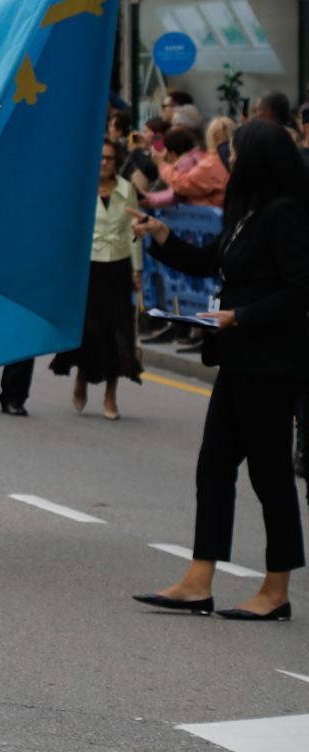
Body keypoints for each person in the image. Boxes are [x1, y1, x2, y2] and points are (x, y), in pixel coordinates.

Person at [130, 119, 309, 620]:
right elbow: (210, 261)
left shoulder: (286, 214)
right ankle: (198, 580)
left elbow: (301, 290)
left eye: (234, 154)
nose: (226, 161)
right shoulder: (246, 211)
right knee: (213, 467)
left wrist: (241, 316)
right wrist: (162, 233)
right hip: (238, 358)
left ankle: (276, 591)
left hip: (273, 363)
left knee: (269, 473)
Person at [48, 138, 142, 419]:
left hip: (117, 264)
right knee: (88, 330)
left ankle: (110, 395)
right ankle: (81, 376)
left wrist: (137, 269)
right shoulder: (82, 186)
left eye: (110, 158)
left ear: (117, 161)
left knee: (118, 332)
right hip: (88, 266)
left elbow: (133, 231)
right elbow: (71, 228)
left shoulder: (127, 190)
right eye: (100, 157)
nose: (104, 163)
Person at [147, 126, 226, 209]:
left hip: (202, 214)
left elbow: (179, 191)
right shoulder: (201, 156)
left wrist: (147, 200)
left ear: (171, 153)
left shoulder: (186, 162)